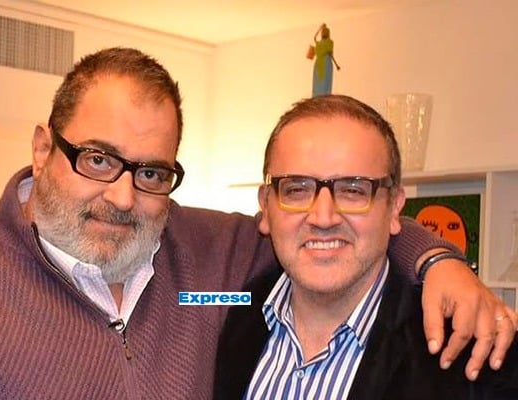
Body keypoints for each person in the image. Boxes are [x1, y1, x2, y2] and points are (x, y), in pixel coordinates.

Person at [0, 48, 514, 399]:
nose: (123, 197)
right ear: (43, 149)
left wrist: (439, 261)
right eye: (98, 159)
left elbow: (328, 233)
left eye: (152, 172)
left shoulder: (212, 270)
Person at [214, 95, 518, 399]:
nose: (323, 217)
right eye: (296, 190)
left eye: (353, 190)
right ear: (266, 207)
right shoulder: (227, 312)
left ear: (394, 207)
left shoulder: (478, 355)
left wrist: (439, 260)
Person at [307, 23, 340, 97]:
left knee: (325, 80)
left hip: (326, 62)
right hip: (319, 63)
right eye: (323, 32)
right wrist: (320, 28)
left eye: (325, 32)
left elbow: (330, 53)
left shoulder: (330, 42)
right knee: (318, 81)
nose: (324, 33)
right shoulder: (318, 43)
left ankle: (324, 95)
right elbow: (314, 37)